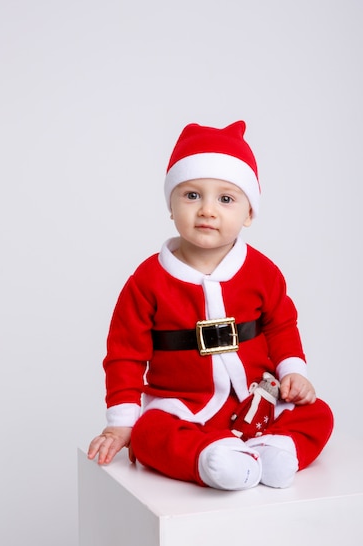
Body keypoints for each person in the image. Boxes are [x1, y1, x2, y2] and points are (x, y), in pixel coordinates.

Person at [88, 121, 333, 490]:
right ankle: (210, 459)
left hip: (255, 399)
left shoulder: (262, 271)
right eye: (191, 196)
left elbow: (281, 325)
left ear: (249, 214)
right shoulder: (147, 280)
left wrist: (292, 372)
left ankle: (277, 448)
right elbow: (125, 354)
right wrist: (121, 421)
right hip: (182, 406)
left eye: (226, 199)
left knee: (319, 414)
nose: (207, 210)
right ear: (170, 206)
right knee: (148, 433)